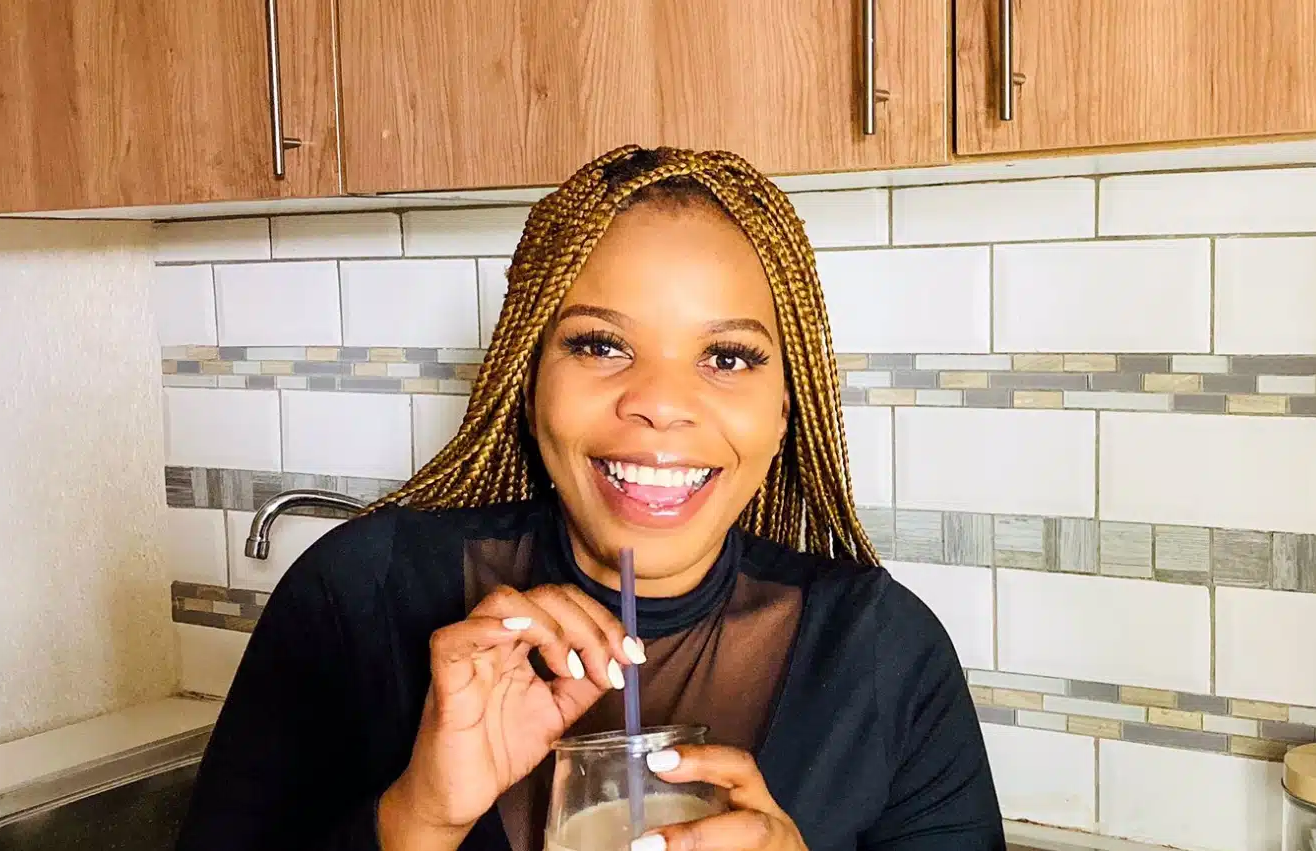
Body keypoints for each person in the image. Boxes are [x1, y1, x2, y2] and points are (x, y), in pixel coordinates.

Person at [175, 146, 1003, 851]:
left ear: (786, 409)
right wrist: (418, 820)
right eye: (601, 344)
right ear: (530, 382)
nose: (660, 402)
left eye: (727, 357)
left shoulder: (886, 655)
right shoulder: (356, 597)